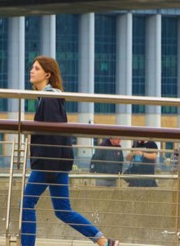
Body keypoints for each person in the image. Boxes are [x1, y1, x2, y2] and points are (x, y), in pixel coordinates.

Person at [21, 56, 118, 246]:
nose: (31, 71)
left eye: (36, 69)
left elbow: (54, 135)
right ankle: (103, 241)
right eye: (32, 68)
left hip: (49, 164)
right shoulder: (49, 97)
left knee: (27, 203)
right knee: (63, 210)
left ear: (47, 74)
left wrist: (48, 169)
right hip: (58, 163)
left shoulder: (49, 98)